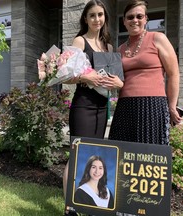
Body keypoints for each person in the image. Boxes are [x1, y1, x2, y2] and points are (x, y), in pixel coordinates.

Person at [62, 1, 123, 215]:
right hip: (83, 106)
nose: (97, 19)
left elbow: (114, 80)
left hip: (101, 106)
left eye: (100, 15)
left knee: (93, 153)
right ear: (85, 19)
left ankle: (86, 204)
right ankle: (69, 207)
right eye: (92, 15)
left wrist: (116, 83)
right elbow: (65, 75)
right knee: (77, 154)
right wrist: (85, 76)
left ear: (105, 17)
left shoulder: (109, 48)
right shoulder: (79, 41)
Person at [108, 0, 181, 145]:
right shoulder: (120, 49)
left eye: (139, 16)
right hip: (124, 106)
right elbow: (117, 81)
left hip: (152, 105)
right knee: (121, 151)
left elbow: (173, 74)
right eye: (130, 17)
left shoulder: (158, 38)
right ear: (124, 21)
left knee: (149, 154)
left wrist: (172, 106)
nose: (135, 20)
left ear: (146, 19)